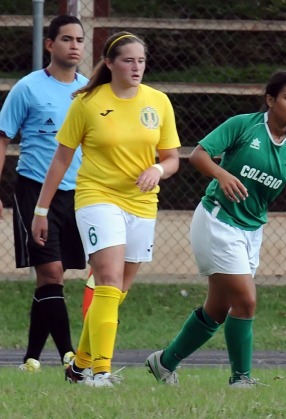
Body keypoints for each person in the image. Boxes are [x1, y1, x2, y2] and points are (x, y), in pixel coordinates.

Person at [145, 71, 286, 388]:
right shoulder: (244, 125)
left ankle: (164, 362)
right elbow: (198, 154)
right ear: (270, 100)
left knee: (219, 308)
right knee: (246, 301)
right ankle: (241, 378)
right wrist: (222, 175)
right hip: (217, 220)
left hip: (251, 231)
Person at [31, 31, 181, 388]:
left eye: (141, 61)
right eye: (128, 60)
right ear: (110, 64)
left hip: (142, 204)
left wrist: (157, 169)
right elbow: (61, 159)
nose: (136, 67)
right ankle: (101, 371)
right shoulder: (87, 102)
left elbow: (173, 159)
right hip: (97, 198)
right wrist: (41, 210)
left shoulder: (158, 102)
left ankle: (79, 364)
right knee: (108, 279)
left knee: (118, 290)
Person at [0, 15, 87, 373]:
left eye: (80, 40)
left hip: (79, 193)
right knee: (51, 271)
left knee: (51, 277)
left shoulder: (90, 91)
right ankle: (70, 354)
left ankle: (31, 358)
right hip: (35, 192)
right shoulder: (29, 88)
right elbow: (2, 137)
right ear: (50, 44)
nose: (75, 46)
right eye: (66, 39)